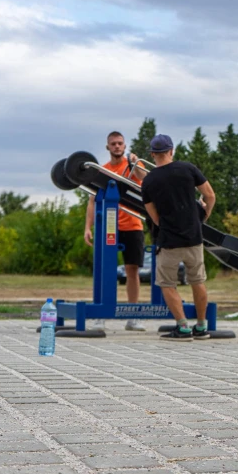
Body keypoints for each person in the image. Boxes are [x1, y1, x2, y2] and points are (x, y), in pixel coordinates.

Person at [141, 134, 216, 340]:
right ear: (171, 151)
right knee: (197, 280)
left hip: (168, 241)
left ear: (152, 154)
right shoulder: (188, 169)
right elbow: (209, 195)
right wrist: (203, 216)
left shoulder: (149, 180)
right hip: (194, 237)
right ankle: (201, 327)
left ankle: (182, 327)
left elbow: (154, 216)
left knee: (167, 284)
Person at [84, 131, 147, 332]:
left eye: (120, 143)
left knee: (132, 270)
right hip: (110, 226)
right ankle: (101, 315)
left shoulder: (134, 166)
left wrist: (136, 164)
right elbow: (92, 200)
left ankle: (133, 316)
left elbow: (145, 181)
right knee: (106, 270)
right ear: (108, 147)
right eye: (113, 144)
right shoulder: (102, 171)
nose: (117, 146)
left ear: (125, 146)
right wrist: (88, 227)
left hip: (133, 225)